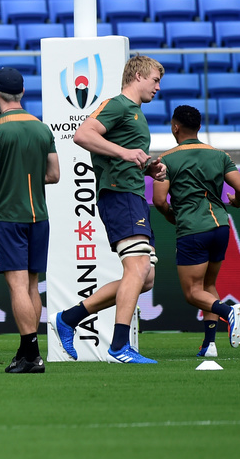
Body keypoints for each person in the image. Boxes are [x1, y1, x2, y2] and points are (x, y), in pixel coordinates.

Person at [55, 56, 168, 364]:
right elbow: (82, 134)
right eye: (155, 80)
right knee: (138, 269)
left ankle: (69, 318)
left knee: (146, 277)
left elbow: (125, 157)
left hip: (132, 194)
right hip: (120, 195)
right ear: (138, 76)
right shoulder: (118, 105)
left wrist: (149, 168)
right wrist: (125, 153)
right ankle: (119, 346)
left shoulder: (136, 113)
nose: (158, 87)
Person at [0, 68, 60, 374]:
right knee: (33, 286)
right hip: (38, 216)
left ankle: (32, 355)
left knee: (17, 286)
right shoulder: (42, 128)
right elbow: (54, 174)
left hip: (8, 216)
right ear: (22, 92)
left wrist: (4, 173)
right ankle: (27, 352)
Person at [151, 105, 240, 357]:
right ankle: (209, 345)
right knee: (208, 285)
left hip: (192, 229)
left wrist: (172, 216)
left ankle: (229, 311)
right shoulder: (220, 155)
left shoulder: (167, 159)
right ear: (199, 127)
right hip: (220, 227)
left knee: (193, 293)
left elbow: (159, 200)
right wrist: (237, 202)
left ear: (175, 127)